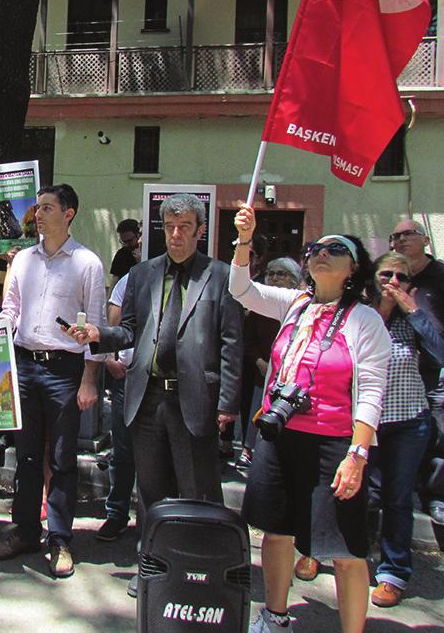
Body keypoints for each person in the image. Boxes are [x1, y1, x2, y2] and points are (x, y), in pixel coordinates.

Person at [232, 204, 391, 633]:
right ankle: (275, 615)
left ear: (353, 269)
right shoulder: (297, 305)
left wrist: (357, 455)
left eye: (334, 249)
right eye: (315, 248)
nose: (321, 252)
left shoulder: (365, 320)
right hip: (280, 437)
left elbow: (372, 391)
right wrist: (245, 241)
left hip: (335, 444)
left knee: (345, 548)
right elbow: (242, 289)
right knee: (276, 531)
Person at [74, 192, 242, 596]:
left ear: (200, 231)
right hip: (147, 399)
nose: (176, 235)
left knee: (197, 492)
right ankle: (152, 566)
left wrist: (227, 405)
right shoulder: (144, 274)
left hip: (195, 400)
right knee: (150, 493)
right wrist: (100, 336)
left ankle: (200, 571)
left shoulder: (220, 277)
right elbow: (130, 329)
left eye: (184, 227)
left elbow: (232, 343)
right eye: (169, 228)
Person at [0, 184, 105, 579]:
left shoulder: (87, 263)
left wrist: (89, 379)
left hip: (64, 372)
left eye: (47, 207)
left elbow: (96, 325)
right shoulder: (22, 261)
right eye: (37, 207)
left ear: (69, 213)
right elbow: (11, 310)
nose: (38, 214)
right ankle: (24, 530)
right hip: (23, 367)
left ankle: (59, 539)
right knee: (27, 456)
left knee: (62, 457)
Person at [369, 252, 444, 607]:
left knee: (397, 499)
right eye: (387, 275)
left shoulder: (413, 320)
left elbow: (441, 355)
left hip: (407, 422)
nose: (394, 283)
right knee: (358, 496)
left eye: (402, 277)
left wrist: (413, 311)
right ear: (374, 278)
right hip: (364, 422)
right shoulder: (362, 316)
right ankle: (341, 555)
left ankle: (393, 572)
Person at [391, 219, 444, 527]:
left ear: (425, 240)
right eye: (395, 235)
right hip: (398, 372)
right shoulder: (392, 275)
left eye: (407, 234)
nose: (400, 239)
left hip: (433, 370)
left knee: (437, 435)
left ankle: (436, 498)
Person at [236, 257, 303, 472]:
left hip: (292, 381)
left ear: (293, 279)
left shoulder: (300, 307)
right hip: (261, 373)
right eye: (271, 273)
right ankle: (249, 451)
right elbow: (248, 340)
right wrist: (259, 362)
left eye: (280, 274)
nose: (274, 278)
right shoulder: (259, 307)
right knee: (257, 410)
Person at [96, 271, 136, 542]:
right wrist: (109, 359)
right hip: (127, 377)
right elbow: (113, 321)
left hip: (161, 381)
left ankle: (156, 520)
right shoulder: (129, 279)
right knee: (123, 451)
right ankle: (117, 514)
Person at [109, 218, 141, 288]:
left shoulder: (146, 252)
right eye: (123, 241)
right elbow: (115, 279)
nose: (126, 245)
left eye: (129, 241)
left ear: (138, 235)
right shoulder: (121, 254)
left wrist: (140, 261)